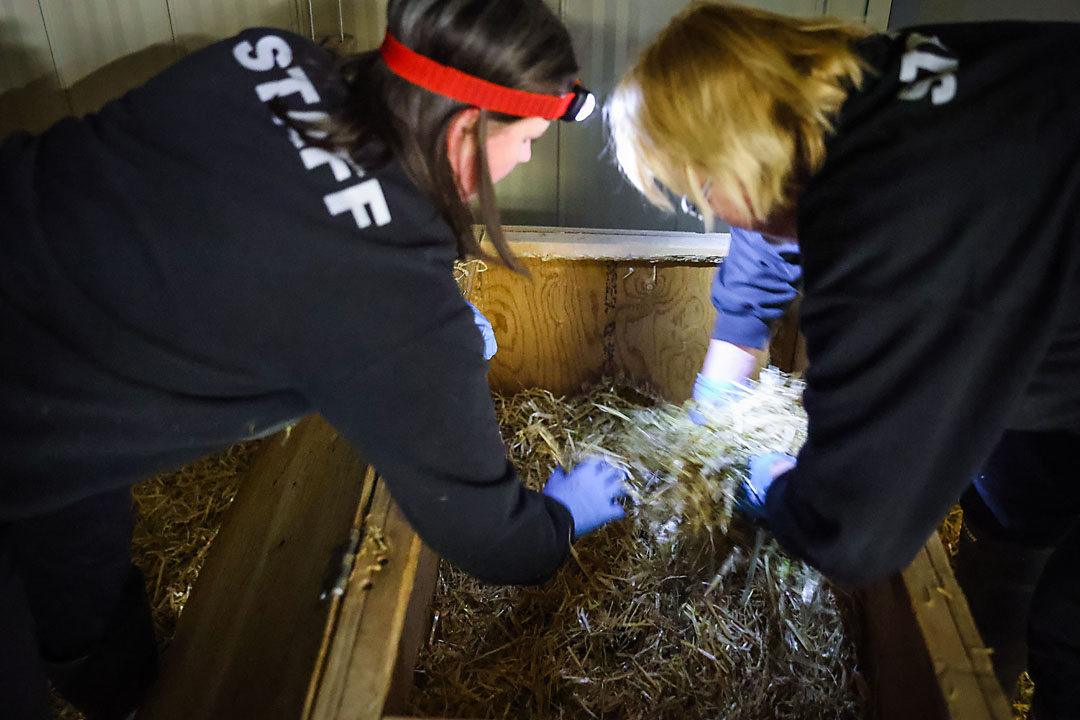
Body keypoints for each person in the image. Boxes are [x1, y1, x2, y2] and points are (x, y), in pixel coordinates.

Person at [0, 1, 628, 717]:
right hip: (25, 404)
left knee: (74, 523)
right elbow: (495, 539)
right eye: (528, 140)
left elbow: (279, 218)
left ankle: (120, 694)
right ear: (465, 130)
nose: (523, 161)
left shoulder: (268, 58)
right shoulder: (390, 297)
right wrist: (559, 520)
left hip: (50, 358)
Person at [606, 2, 1080, 717]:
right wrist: (719, 394)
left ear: (738, 153)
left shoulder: (887, 225)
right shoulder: (859, 93)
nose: (709, 207)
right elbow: (773, 225)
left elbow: (859, 534)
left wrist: (781, 493)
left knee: (1072, 636)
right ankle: (992, 643)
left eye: (700, 185)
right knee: (1015, 489)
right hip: (1051, 290)